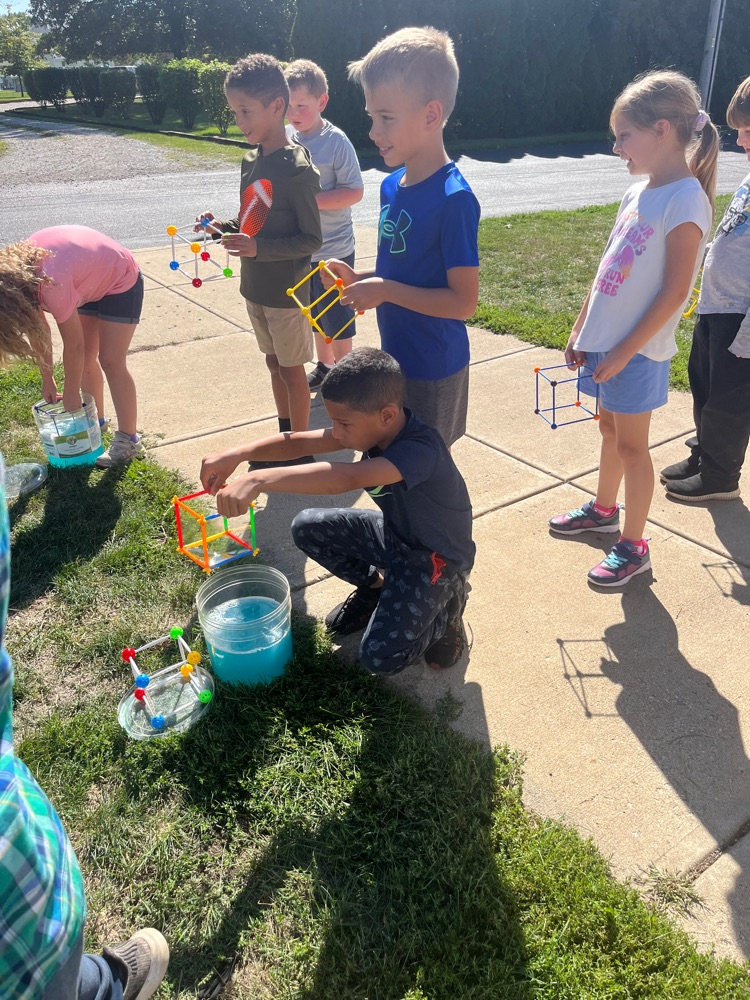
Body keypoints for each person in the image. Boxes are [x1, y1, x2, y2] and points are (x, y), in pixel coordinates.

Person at [0, 452, 169, 1000]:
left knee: (59, 972)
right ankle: (101, 984)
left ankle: (101, 982)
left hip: (29, 917)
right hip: (21, 942)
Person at [199, 347, 475, 673]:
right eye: (333, 422)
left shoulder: (420, 449)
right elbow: (299, 442)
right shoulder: (372, 427)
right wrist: (238, 453)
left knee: (379, 659)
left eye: (343, 423)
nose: (336, 432)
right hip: (395, 536)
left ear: (387, 415)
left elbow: (346, 478)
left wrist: (258, 479)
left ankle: (447, 610)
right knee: (308, 527)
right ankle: (376, 589)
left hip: (436, 560)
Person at [548, 70, 718, 586]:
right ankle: (604, 510)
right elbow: (606, 271)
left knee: (632, 448)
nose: (616, 146)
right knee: (608, 431)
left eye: (624, 135)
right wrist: (580, 328)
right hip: (606, 344)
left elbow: (675, 292)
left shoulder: (686, 199)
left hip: (637, 352)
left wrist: (624, 350)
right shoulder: (636, 192)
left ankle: (634, 544)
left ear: (661, 130)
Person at [324, 26, 480, 448]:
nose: (374, 132)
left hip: (434, 366)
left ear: (431, 115)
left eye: (386, 118)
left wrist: (384, 290)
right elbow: (404, 270)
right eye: (372, 117)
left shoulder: (454, 199)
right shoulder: (392, 186)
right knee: (393, 462)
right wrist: (361, 279)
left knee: (427, 468)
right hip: (396, 361)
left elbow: (463, 302)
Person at [197, 53, 322, 443]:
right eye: (235, 112)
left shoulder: (297, 168)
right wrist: (220, 228)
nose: (239, 122)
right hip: (255, 288)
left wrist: (258, 249)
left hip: (286, 293)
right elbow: (250, 220)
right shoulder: (250, 161)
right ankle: (285, 437)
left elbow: (311, 239)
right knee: (273, 364)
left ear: (277, 106)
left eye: (246, 111)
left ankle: (299, 448)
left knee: (292, 372)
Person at [661, 76, 750, 502]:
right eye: (739, 129)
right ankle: (704, 454)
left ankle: (720, 476)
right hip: (717, 306)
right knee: (704, 386)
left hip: (741, 320)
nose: (740, 139)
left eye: (748, 130)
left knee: (728, 402)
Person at [0, 226, 145, 467]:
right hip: (87, 276)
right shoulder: (17, 281)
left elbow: (73, 344)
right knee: (88, 356)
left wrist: (71, 391)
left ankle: (129, 441)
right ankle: (96, 422)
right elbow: (39, 331)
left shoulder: (51, 283)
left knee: (111, 360)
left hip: (120, 277)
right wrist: (48, 378)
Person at [284, 58, 364, 389]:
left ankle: (346, 377)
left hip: (334, 250)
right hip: (302, 249)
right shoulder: (287, 137)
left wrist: (310, 201)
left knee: (338, 318)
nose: (293, 113)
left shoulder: (335, 142)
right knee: (315, 314)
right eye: (288, 105)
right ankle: (326, 366)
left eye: (301, 105)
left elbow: (355, 191)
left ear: (322, 101)